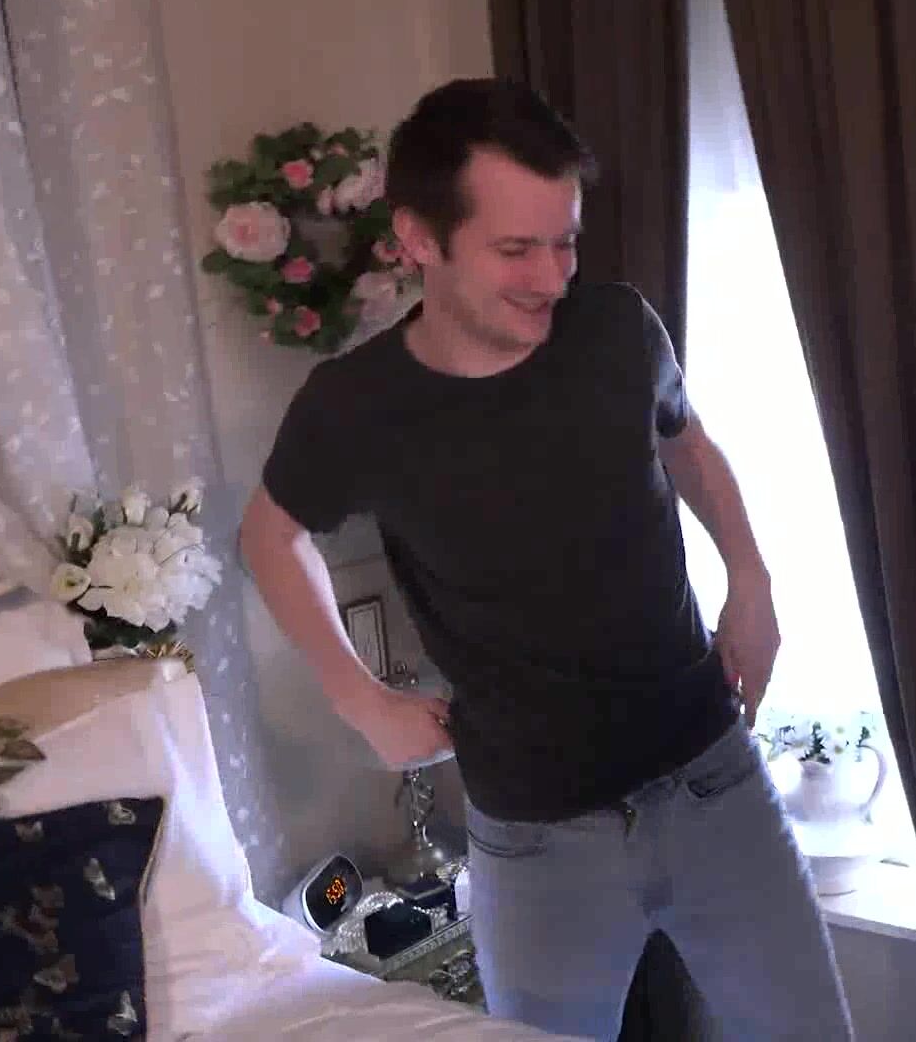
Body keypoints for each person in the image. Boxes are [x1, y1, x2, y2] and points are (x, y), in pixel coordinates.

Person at [239, 77, 854, 1041]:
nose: (552, 276)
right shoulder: (355, 407)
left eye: (565, 241)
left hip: (712, 785)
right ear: (419, 239)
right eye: (515, 249)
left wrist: (751, 576)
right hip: (535, 842)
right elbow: (268, 537)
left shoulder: (618, 329)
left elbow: (685, 441)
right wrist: (359, 698)